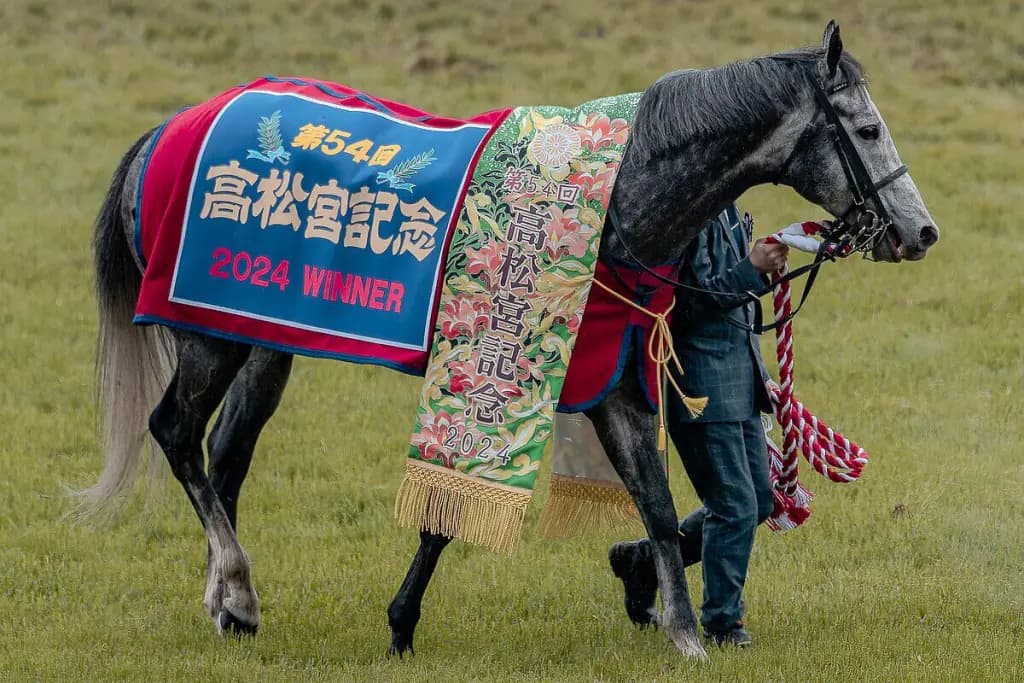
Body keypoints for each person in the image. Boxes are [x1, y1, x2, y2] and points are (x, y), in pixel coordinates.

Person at [608, 203, 789, 648]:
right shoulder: (684, 216)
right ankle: (723, 624)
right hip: (701, 389)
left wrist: (760, 371)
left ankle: (645, 562)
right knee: (735, 508)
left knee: (761, 502)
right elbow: (682, 309)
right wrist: (751, 269)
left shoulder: (726, 207)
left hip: (739, 381)